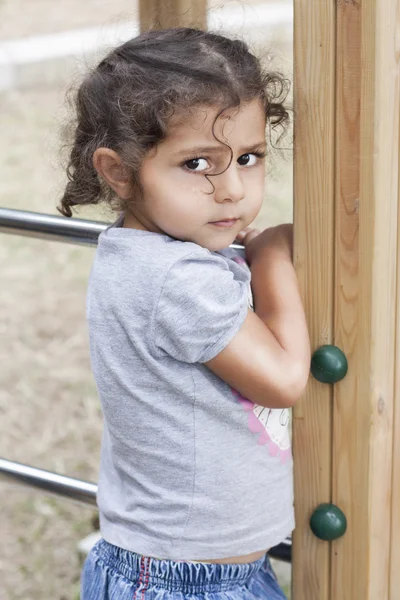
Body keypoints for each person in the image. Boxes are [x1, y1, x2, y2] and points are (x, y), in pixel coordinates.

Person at [58, 27, 310, 600]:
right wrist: (271, 255)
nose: (231, 190)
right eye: (197, 163)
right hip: (187, 583)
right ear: (119, 171)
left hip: (180, 568)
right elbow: (283, 379)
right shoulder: (176, 278)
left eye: (248, 158)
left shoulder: (148, 252)